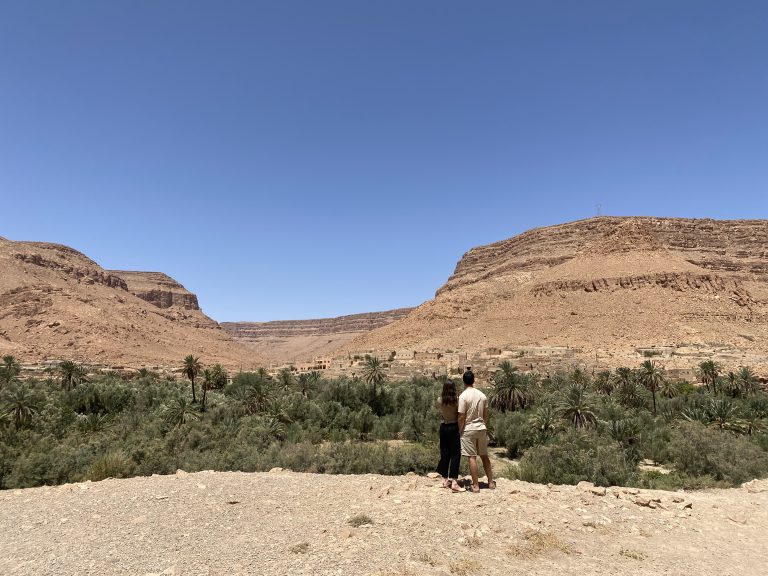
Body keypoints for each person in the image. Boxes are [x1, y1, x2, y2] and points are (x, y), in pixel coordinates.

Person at [458, 369, 494, 493]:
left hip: (469, 429)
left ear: (464, 381)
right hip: (481, 428)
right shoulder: (482, 395)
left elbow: (461, 416)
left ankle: (476, 485)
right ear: (474, 381)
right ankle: (490, 482)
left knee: (471, 457)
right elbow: (486, 414)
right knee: (484, 456)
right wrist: (483, 423)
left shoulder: (463, 396)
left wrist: (460, 429)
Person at [435, 379, 464, 492]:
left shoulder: (440, 400)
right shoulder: (457, 401)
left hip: (443, 427)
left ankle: (445, 479)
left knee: (444, 453)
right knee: (455, 454)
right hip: (454, 427)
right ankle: (454, 482)